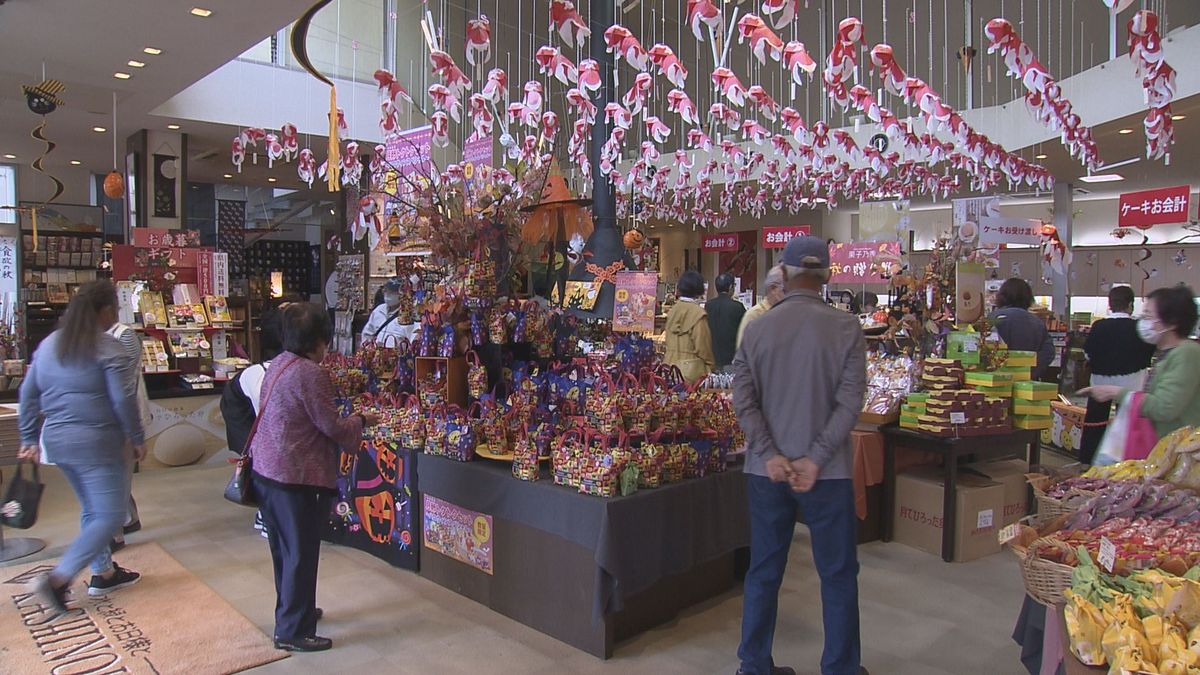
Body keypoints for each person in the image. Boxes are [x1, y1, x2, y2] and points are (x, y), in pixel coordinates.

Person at [732, 236, 868, 675]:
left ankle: (753, 665)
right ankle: (841, 668)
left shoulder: (757, 328)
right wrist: (815, 457)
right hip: (827, 475)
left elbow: (743, 400)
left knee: (764, 572)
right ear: (826, 275)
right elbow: (850, 403)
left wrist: (770, 453)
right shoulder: (847, 329)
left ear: (784, 275)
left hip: (764, 472)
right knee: (838, 575)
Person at [250, 302, 377, 652]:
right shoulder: (310, 373)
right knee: (301, 554)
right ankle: (292, 630)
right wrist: (362, 421)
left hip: (268, 471)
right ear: (319, 340)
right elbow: (333, 426)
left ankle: (296, 611)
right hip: (295, 476)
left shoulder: (278, 363)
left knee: (284, 551)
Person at [19, 280, 147, 615]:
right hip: (98, 442)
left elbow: (28, 394)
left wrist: (29, 436)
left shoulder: (49, 345)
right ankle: (57, 579)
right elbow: (122, 399)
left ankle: (103, 572)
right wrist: (136, 437)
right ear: (105, 311)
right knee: (109, 515)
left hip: (58, 443)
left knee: (92, 508)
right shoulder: (107, 347)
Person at [1080, 285, 1200, 439]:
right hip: (1164, 446)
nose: (1143, 322)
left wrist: (1116, 392)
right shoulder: (1169, 353)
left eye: (1148, 316)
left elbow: (1164, 407)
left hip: (1180, 450)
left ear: (1172, 322)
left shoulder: (1187, 353)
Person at [221, 302, 286, 538]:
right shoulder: (262, 374)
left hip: (259, 416)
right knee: (262, 462)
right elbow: (270, 417)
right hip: (243, 416)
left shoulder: (284, 368)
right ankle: (265, 514)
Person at [1078, 286, 1156, 464]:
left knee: (1094, 422)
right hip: (1132, 383)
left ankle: (1087, 461)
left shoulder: (1099, 326)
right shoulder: (1138, 328)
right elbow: (1149, 352)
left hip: (1100, 383)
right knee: (1128, 424)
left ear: (1110, 304)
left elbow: (1088, 354)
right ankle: (1128, 462)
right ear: (1130, 305)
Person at [106, 319, 151, 551]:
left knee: (114, 479)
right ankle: (128, 519)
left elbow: (125, 384)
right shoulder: (90, 336)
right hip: (109, 418)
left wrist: (135, 433)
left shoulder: (123, 336)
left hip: (119, 417)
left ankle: (113, 535)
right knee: (115, 477)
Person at [989, 278, 1055, 379]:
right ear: (1028, 298)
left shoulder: (992, 319)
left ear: (1001, 296)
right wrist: (1031, 372)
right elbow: (1049, 352)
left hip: (995, 381)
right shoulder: (1037, 322)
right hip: (1026, 384)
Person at [664, 270, 715, 383]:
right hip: (691, 371)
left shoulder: (672, 311)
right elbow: (703, 347)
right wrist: (711, 366)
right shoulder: (698, 313)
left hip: (669, 367)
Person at [707, 272, 748, 370]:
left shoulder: (708, 305)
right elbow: (745, 331)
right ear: (730, 287)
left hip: (712, 357)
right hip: (731, 358)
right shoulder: (737, 307)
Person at [737, 266, 785, 349]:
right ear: (773, 288)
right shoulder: (754, 315)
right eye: (785, 290)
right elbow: (743, 354)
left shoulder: (787, 314)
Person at [360, 278, 416, 346]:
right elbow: (367, 333)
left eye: (393, 292)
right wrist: (368, 348)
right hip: (375, 354)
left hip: (396, 354)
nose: (388, 294)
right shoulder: (379, 310)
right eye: (386, 291)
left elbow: (412, 341)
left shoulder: (409, 314)